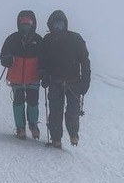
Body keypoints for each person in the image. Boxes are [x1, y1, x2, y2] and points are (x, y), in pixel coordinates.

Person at [39, 10, 91, 148]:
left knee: (73, 111)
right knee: (55, 112)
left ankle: (73, 134)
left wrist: (85, 82)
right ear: (50, 25)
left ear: (65, 24)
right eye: (55, 25)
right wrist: (43, 74)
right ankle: (56, 138)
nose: (57, 27)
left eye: (60, 24)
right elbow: (42, 60)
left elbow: (85, 62)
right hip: (54, 81)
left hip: (74, 82)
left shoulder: (76, 39)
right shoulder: (47, 40)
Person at [0, 10, 44, 140]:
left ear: (33, 24)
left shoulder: (38, 40)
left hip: (32, 77)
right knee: (18, 101)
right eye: (23, 23)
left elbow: (44, 58)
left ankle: (33, 124)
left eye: (28, 23)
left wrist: (44, 71)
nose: (25, 26)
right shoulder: (13, 39)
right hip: (16, 77)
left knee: (33, 102)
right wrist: (6, 59)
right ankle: (20, 127)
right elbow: (4, 54)